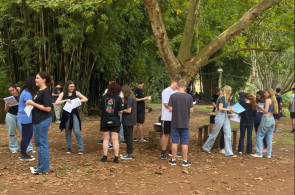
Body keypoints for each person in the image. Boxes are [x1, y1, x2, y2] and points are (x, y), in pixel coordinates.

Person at [26, 71, 52, 175]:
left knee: (42, 143)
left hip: (43, 119)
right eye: (36, 78)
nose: (35, 80)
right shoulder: (39, 91)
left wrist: (32, 103)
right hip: (37, 120)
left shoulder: (46, 91)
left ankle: (44, 168)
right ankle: (40, 165)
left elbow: (48, 108)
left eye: (37, 78)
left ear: (44, 79)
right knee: (38, 143)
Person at [202, 85, 237, 157]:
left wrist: (230, 111)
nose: (231, 92)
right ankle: (206, 147)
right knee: (215, 133)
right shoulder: (222, 97)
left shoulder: (226, 99)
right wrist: (230, 110)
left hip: (225, 116)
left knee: (228, 133)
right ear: (227, 91)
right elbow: (220, 108)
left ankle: (229, 152)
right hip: (220, 116)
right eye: (230, 90)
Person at [55, 80, 88, 155]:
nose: (72, 88)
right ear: (67, 86)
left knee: (77, 131)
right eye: (71, 86)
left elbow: (85, 99)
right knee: (67, 131)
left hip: (74, 114)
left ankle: (80, 148)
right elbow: (57, 102)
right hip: (66, 114)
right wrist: (65, 100)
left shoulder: (76, 93)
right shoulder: (63, 93)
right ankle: (69, 148)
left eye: (73, 86)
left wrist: (77, 101)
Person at [168, 80, 193, 167]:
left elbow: (170, 109)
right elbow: (191, 110)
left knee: (174, 141)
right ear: (185, 87)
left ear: (178, 86)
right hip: (185, 123)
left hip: (175, 122)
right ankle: (185, 161)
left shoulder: (172, 96)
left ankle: (173, 160)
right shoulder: (189, 97)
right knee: (184, 143)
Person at [5, 85, 34, 154]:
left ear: (16, 89)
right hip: (10, 116)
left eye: (13, 90)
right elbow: (6, 110)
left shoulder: (22, 95)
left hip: (21, 116)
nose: (12, 92)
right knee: (11, 132)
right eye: (10, 91)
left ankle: (29, 148)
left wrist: (20, 90)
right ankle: (13, 148)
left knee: (24, 132)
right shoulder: (10, 98)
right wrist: (6, 105)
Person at [99, 82, 124, 163]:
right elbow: (121, 110)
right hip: (115, 120)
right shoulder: (118, 98)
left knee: (106, 139)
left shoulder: (103, 97)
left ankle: (105, 156)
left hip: (105, 120)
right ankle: (116, 158)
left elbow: (100, 108)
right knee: (115, 139)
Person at [252, 88, 278, 158]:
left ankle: (259, 153)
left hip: (266, 119)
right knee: (269, 137)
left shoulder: (267, 100)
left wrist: (259, 106)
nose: (264, 94)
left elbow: (266, 110)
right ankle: (268, 154)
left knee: (259, 135)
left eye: (265, 92)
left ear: (269, 93)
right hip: (272, 119)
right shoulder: (273, 100)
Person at [18, 76, 39, 161]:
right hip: (26, 116)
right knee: (26, 136)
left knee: (28, 135)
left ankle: (23, 153)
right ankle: (23, 154)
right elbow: (31, 104)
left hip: (26, 116)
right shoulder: (27, 93)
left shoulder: (25, 91)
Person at [160, 77, 180, 160]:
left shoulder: (177, 92)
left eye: (179, 85)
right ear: (173, 82)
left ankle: (173, 151)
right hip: (167, 117)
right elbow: (165, 104)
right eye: (176, 84)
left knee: (173, 134)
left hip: (175, 117)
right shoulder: (166, 91)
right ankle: (163, 151)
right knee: (166, 134)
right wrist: (176, 106)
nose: (177, 87)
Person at [120, 85, 137, 160]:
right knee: (127, 136)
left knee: (128, 137)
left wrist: (122, 110)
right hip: (130, 120)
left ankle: (129, 153)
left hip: (128, 120)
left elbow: (129, 110)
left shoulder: (130, 98)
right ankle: (128, 152)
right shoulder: (131, 97)